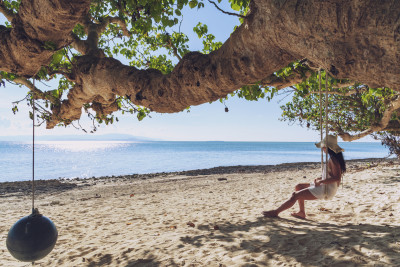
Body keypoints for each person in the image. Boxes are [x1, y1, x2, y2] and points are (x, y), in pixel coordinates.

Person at [262, 135, 346, 219]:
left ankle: (276, 212)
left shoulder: (334, 160)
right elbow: (330, 174)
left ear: (328, 147)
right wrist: (319, 178)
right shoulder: (332, 158)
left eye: (323, 146)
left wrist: (321, 182)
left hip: (326, 189)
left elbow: (337, 178)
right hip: (324, 185)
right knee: (299, 186)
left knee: (295, 195)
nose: (322, 148)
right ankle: (301, 212)